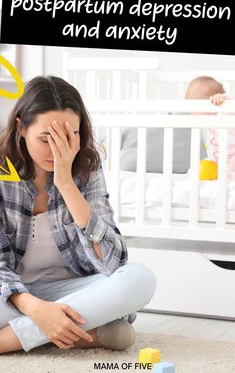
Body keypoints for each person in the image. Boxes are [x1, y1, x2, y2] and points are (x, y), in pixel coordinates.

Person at [0, 76, 156, 354]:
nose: (57, 150)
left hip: (73, 289)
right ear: (21, 128)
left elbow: (113, 261)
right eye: (47, 138)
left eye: (69, 136)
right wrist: (36, 309)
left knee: (140, 279)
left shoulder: (87, 167)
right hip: (14, 296)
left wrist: (66, 184)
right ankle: (91, 331)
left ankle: (8, 341)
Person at [185, 75, 235, 178]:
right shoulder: (210, 122)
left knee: (228, 172)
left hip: (232, 157)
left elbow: (233, 105)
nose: (191, 112)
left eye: (193, 108)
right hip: (219, 158)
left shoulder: (225, 111)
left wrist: (225, 98)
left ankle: (227, 175)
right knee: (195, 169)